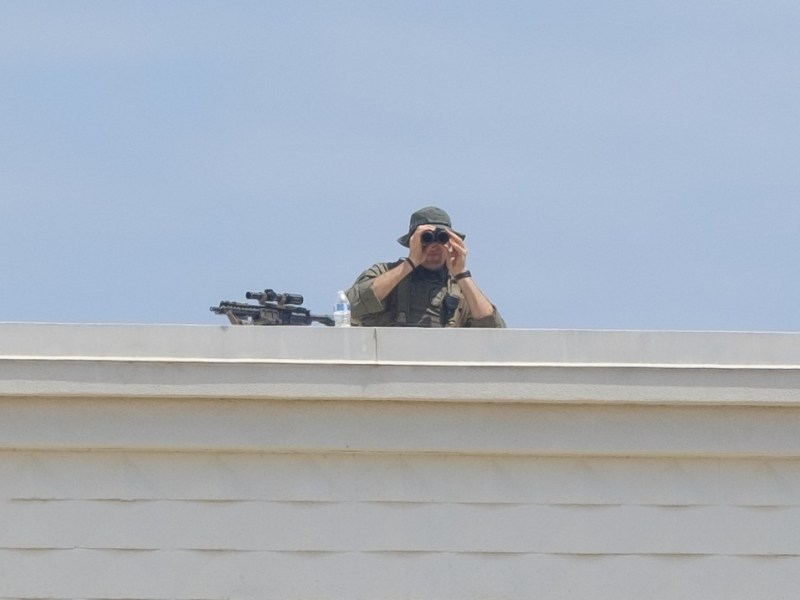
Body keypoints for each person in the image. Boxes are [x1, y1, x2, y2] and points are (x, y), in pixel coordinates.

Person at [345, 206, 506, 327]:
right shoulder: (384, 273)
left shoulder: (461, 290)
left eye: (441, 238)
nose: (433, 245)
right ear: (411, 242)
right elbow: (350, 306)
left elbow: (494, 332)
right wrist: (410, 263)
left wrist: (461, 273)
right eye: (426, 239)